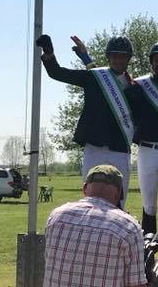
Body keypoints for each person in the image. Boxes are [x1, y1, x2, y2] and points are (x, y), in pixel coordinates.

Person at [76, 38, 158, 280]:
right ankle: (147, 260)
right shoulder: (139, 86)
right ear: (152, 63)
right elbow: (107, 88)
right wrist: (87, 60)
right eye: (157, 60)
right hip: (147, 151)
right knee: (148, 206)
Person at [36, 34, 134, 199]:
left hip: (120, 148)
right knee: (91, 195)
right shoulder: (94, 78)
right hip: (94, 147)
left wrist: (85, 56)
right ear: (108, 57)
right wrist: (48, 53)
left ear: (128, 59)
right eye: (114, 55)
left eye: (123, 56)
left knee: (119, 197)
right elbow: (57, 73)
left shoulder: (134, 86)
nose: (118, 60)